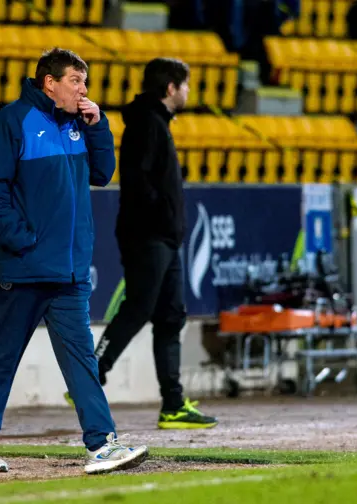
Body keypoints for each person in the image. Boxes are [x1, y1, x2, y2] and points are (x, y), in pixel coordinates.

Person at [0, 48, 148, 475]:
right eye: (76, 81)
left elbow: (103, 173)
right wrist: (24, 242)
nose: (83, 90)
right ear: (50, 82)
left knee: (82, 358)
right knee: (5, 355)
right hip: (24, 267)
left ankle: (102, 444)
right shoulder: (11, 123)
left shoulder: (78, 126)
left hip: (68, 271)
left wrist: (99, 125)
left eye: (85, 82)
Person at [68, 58, 218, 429]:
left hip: (164, 236)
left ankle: (173, 404)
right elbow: (139, 183)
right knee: (139, 308)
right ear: (171, 88)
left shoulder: (155, 123)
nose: (187, 92)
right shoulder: (147, 125)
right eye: (184, 85)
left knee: (170, 316)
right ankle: (90, 373)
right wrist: (162, 218)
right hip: (148, 234)